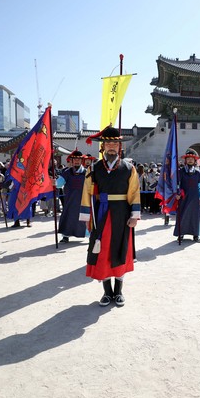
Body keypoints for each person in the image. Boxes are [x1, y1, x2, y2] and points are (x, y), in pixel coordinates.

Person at [80, 126, 140, 307]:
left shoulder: (129, 168)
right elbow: (87, 193)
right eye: (108, 143)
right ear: (103, 146)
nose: (112, 146)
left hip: (122, 214)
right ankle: (107, 292)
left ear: (119, 146)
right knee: (103, 251)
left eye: (115, 143)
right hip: (101, 214)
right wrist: (87, 218)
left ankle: (119, 291)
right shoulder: (94, 168)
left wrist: (134, 216)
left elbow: (134, 192)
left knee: (120, 250)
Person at [174, 149, 200, 243]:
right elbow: (177, 184)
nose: (190, 160)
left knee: (195, 216)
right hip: (184, 197)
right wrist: (177, 193)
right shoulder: (181, 172)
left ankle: (196, 235)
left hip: (195, 198)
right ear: (185, 160)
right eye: (188, 158)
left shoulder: (198, 173)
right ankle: (181, 234)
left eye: (192, 159)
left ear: (195, 161)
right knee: (182, 215)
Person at [57, 150, 87, 243]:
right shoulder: (67, 172)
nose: (77, 161)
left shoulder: (87, 172)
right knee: (68, 216)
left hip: (84, 199)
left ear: (81, 160)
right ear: (72, 161)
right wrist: (55, 181)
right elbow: (59, 184)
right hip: (70, 199)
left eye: (78, 159)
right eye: (75, 159)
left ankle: (89, 235)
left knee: (85, 217)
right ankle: (65, 236)